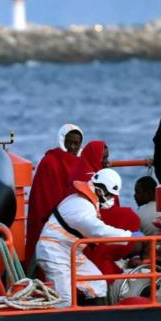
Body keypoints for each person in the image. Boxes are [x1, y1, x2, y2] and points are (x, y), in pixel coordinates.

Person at [36, 168, 143, 306]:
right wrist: (128, 236)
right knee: (64, 300)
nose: (111, 200)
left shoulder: (81, 202)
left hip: (69, 251)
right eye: (110, 196)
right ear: (100, 191)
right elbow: (98, 231)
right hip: (54, 253)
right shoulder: (82, 206)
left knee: (97, 285)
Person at [25, 123, 85, 264]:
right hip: (49, 219)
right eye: (69, 143)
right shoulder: (49, 162)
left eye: (76, 144)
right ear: (62, 140)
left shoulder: (80, 162)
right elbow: (43, 196)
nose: (72, 147)